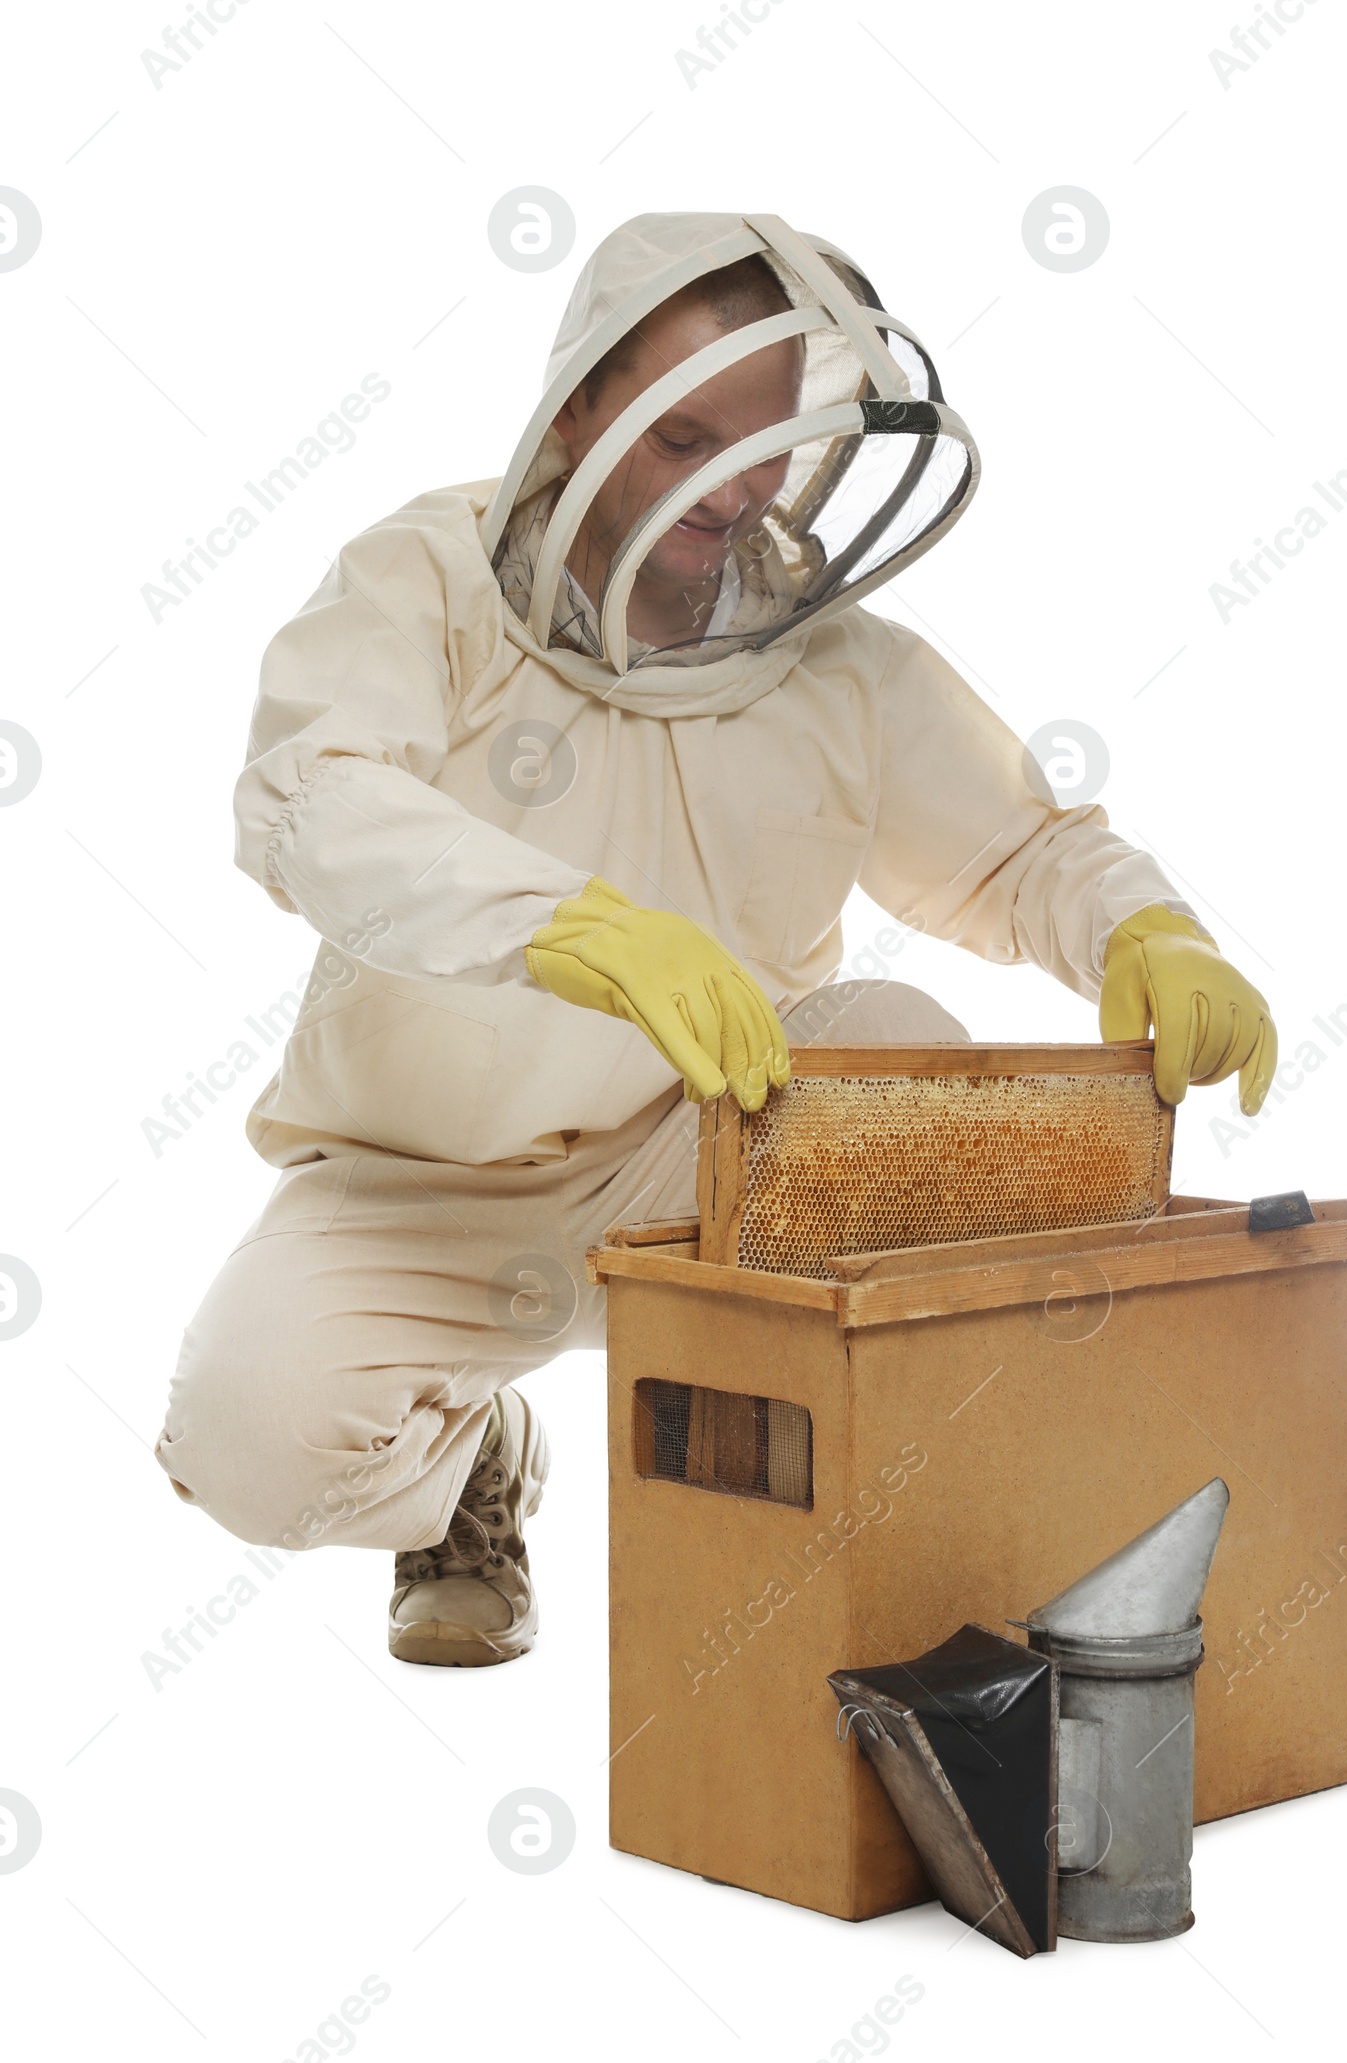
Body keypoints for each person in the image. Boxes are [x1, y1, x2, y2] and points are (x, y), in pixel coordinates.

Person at [154, 212, 1275, 1668]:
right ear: (574, 415)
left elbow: (1021, 847)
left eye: (763, 447)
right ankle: (466, 1475)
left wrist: (1151, 929)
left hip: (717, 1154)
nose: (733, 486)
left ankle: (838, 1541)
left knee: (901, 1055)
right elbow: (306, 800)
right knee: (252, 1445)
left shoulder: (837, 659)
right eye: (683, 440)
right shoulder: (422, 575)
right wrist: (561, 923)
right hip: (412, 1188)